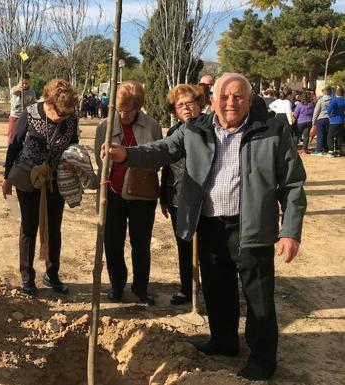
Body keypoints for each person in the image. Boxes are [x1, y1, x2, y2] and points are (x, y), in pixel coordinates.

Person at [102, 73, 306, 381]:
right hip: (209, 224)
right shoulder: (194, 129)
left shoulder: (273, 130)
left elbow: (292, 184)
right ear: (212, 101)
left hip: (252, 227)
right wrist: (126, 154)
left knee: (258, 297)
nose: (230, 102)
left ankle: (263, 359)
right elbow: (161, 150)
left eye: (238, 96)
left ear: (250, 100)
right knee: (216, 289)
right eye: (224, 97)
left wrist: (290, 230)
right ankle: (224, 341)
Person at [2, 79, 80, 296]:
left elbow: (73, 142)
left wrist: (70, 159)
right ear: (49, 103)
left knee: (54, 227)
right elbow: (14, 145)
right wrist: (7, 178)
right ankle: (27, 278)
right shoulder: (30, 113)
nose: (64, 118)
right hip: (28, 178)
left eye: (68, 114)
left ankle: (52, 274)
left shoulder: (71, 117)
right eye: (61, 113)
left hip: (55, 180)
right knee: (29, 226)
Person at [93, 81, 162, 305]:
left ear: (138, 107)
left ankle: (141, 287)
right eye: (119, 109)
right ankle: (117, 285)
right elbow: (98, 158)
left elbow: (158, 158)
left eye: (128, 110)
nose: (123, 114)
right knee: (113, 242)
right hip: (112, 193)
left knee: (140, 243)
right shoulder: (105, 126)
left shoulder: (151, 126)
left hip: (142, 195)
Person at [160, 84, 205, 305]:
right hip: (178, 198)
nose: (186, 108)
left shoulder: (211, 130)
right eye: (180, 105)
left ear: (199, 104)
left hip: (207, 201)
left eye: (190, 103)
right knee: (184, 245)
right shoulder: (172, 133)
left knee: (209, 249)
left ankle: (209, 289)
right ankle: (187, 288)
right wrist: (164, 198)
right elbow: (166, 168)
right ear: (175, 110)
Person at [8, 73, 37, 143]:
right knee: (11, 134)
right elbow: (12, 91)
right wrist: (18, 88)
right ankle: (10, 150)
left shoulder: (32, 92)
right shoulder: (15, 89)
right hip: (15, 116)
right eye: (22, 83)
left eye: (26, 83)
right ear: (19, 82)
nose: (24, 85)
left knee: (24, 136)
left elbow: (33, 105)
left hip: (26, 117)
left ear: (29, 82)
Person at [311, 86, 332, 155]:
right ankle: (326, 149)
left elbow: (316, 112)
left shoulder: (321, 100)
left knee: (320, 135)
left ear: (325, 92)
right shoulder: (332, 100)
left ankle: (319, 150)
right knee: (327, 135)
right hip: (330, 119)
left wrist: (313, 121)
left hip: (321, 119)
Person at [326, 85, 345, 157]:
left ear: (336, 93)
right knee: (339, 136)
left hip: (334, 121)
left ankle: (331, 151)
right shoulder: (344, 100)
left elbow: (328, 110)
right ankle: (338, 151)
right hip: (342, 120)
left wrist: (330, 115)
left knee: (330, 136)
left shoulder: (334, 100)